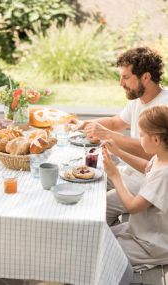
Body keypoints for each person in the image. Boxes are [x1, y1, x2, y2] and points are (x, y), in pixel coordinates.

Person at [71, 47, 168, 225]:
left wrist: (108, 135)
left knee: (98, 207)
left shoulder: (163, 108)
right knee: (85, 180)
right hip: (133, 170)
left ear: (145, 77)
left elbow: (153, 155)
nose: (120, 83)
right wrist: (82, 124)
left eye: (125, 77)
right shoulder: (139, 98)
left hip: (150, 180)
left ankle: (110, 247)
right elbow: (116, 122)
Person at [102, 105, 168, 270]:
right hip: (140, 229)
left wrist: (115, 175)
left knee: (102, 253)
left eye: (141, 135)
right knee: (99, 238)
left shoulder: (164, 175)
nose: (139, 139)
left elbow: (132, 207)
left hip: (152, 244)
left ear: (155, 140)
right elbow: (147, 166)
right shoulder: (161, 157)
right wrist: (118, 152)